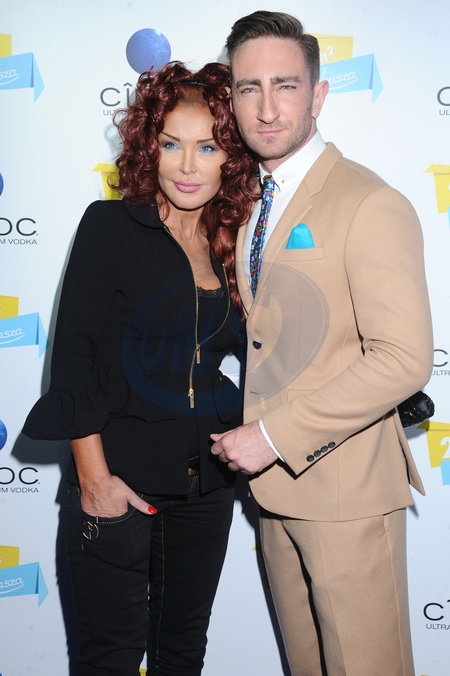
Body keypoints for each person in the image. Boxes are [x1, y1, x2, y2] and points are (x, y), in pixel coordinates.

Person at [210, 10, 434, 676]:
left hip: (346, 496)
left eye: (286, 85)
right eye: (249, 88)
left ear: (319, 94)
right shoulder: (253, 201)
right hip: (274, 493)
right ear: (232, 99)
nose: (267, 107)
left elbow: (403, 358)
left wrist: (271, 436)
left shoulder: (369, 202)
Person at [23, 60, 256, 676]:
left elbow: (254, 355)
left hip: (206, 490)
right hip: (119, 483)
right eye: (171, 144)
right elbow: (73, 360)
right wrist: (95, 481)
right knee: (111, 661)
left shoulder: (232, 245)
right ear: (148, 148)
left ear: (230, 158)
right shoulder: (110, 227)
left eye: (208, 147)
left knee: (182, 656)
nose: (187, 166)